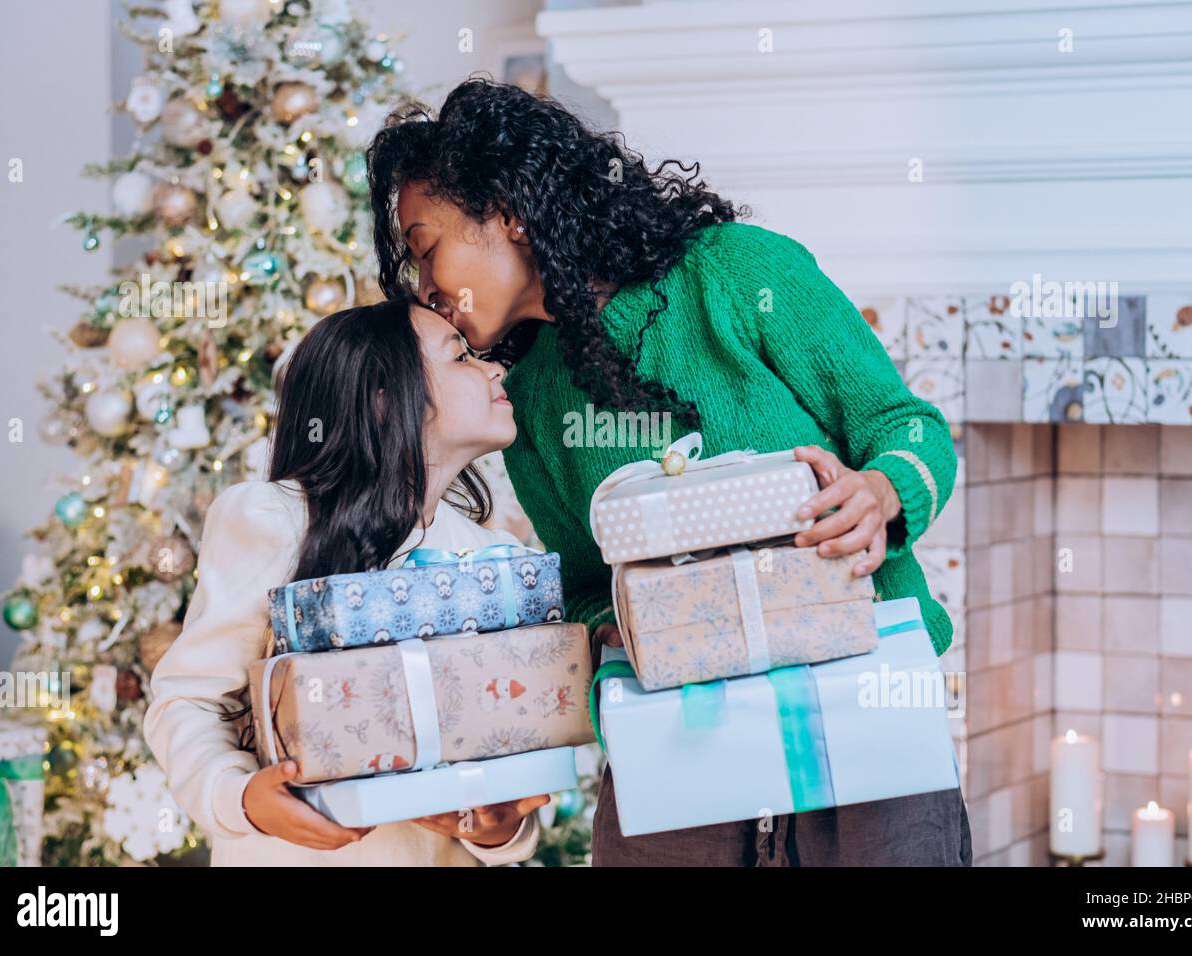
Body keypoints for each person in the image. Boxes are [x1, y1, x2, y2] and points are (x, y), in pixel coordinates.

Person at [364, 78, 972, 866]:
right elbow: (583, 585)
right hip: (682, 761)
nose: (424, 288)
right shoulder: (534, 400)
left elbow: (907, 427)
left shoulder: (737, 275)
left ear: (507, 209)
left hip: (867, 730)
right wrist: (625, 629)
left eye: (426, 248)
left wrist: (883, 494)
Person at [143, 293, 546, 866]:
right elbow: (190, 702)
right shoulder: (273, 520)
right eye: (460, 357)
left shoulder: (496, 561)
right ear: (383, 398)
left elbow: (515, 758)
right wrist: (243, 799)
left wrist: (499, 830)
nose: (495, 368)